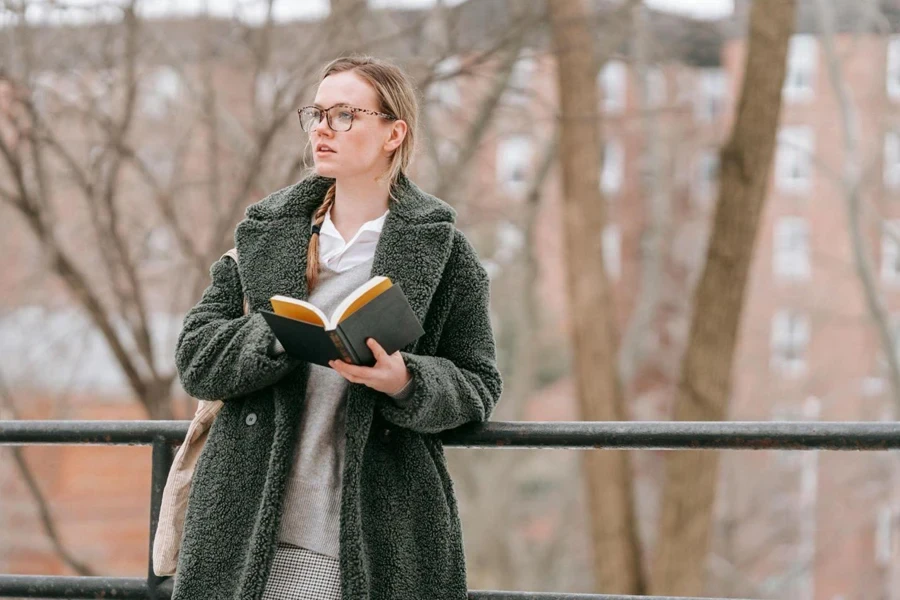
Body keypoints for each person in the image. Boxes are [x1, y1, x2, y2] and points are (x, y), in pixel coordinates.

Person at [170, 54, 503, 600]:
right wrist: (275, 332)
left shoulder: (446, 255)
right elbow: (196, 358)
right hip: (247, 525)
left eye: (345, 115)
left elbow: (478, 384)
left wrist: (404, 381)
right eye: (317, 113)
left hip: (373, 534)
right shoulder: (265, 235)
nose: (323, 128)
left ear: (394, 133)